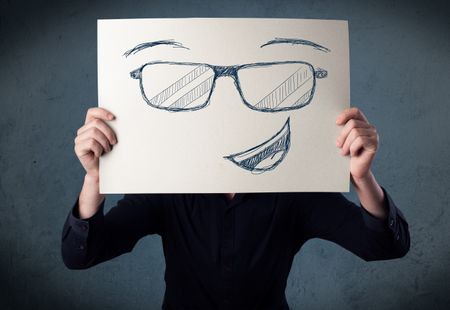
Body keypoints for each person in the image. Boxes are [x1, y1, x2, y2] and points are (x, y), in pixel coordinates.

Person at [61, 106, 410, 309]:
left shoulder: (295, 189)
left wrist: (363, 178)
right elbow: (81, 254)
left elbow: (386, 245)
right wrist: (95, 179)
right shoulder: (168, 186)